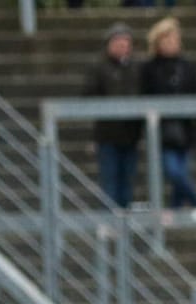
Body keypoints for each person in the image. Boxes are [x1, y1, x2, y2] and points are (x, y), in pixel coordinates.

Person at [139, 17, 196, 211]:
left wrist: (195, 122)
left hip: (186, 131)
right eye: (166, 40)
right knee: (174, 172)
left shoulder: (187, 67)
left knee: (181, 175)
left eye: (174, 39)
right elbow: (145, 97)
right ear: (157, 43)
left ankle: (175, 214)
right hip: (162, 132)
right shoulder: (149, 69)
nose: (171, 44)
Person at [84, 23, 143, 208]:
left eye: (126, 43)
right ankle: (110, 226)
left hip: (131, 135)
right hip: (107, 136)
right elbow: (88, 96)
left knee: (127, 184)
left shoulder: (137, 68)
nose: (123, 46)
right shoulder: (99, 69)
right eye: (118, 42)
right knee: (109, 183)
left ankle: (124, 226)